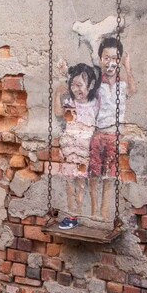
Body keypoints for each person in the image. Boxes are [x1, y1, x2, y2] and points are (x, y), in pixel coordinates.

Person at [88, 37, 136, 221]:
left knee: (110, 176)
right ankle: (94, 212)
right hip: (97, 134)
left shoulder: (123, 85)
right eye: (106, 58)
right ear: (100, 59)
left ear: (119, 60)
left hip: (114, 136)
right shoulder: (95, 85)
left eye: (115, 58)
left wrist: (128, 68)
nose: (110, 63)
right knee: (94, 175)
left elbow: (133, 90)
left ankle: (104, 213)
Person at [54, 60, 100, 229]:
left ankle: (76, 214)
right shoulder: (70, 103)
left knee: (80, 182)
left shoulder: (95, 103)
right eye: (73, 85)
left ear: (91, 85)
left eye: (80, 85)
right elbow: (58, 113)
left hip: (84, 151)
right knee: (69, 181)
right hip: (69, 150)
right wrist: (57, 94)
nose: (76, 89)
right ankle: (70, 212)